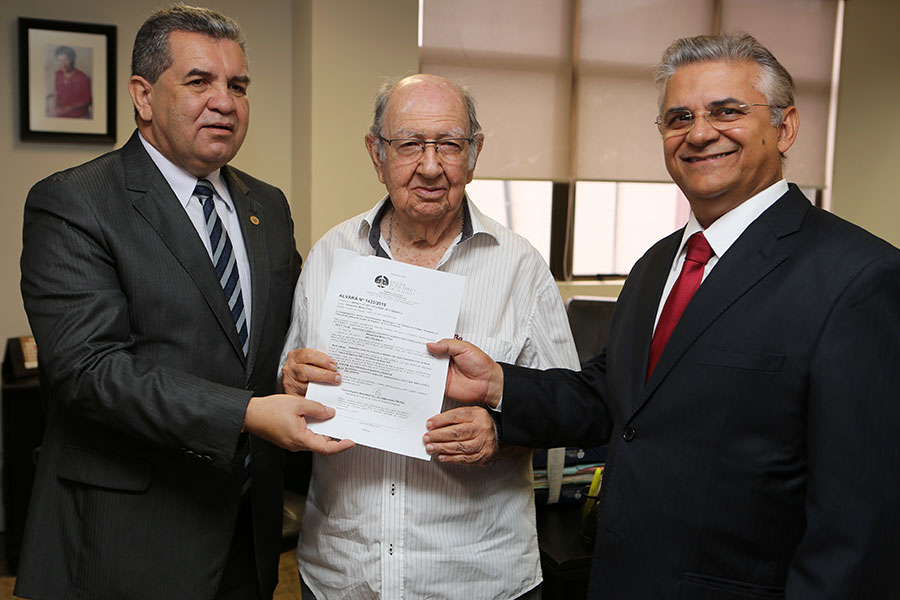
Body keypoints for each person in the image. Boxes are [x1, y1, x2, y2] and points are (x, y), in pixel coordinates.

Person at [427, 32, 900, 599]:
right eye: (679, 117)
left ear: (786, 127)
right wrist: (502, 384)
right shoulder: (659, 263)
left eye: (727, 112)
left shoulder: (859, 277)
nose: (699, 133)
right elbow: (619, 401)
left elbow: (860, 522)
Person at [17, 5, 349, 599]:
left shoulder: (267, 206)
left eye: (238, 85)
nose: (224, 101)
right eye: (199, 81)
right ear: (143, 96)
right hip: (127, 541)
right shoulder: (74, 202)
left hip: (248, 534)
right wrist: (247, 413)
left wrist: (291, 366)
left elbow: (274, 340)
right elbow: (89, 372)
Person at [279, 73, 579, 599]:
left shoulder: (520, 266)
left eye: (449, 144)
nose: (431, 166)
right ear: (376, 153)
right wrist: (293, 381)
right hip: (346, 574)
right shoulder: (331, 254)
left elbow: (572, 406)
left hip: (477, 576)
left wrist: (500, 431)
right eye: (410, 145)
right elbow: (292, 388)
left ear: (475, 152)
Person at [51, 45, 92, 118]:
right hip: (62, 113)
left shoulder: (82, 77)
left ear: (73, 60)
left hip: (79, 115)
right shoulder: (58, 74)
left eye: (66, 60)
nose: (63, 64)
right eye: (60, 61)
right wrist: (55, 106)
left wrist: (68, 108)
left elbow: (87, 100)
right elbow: (56, 92)